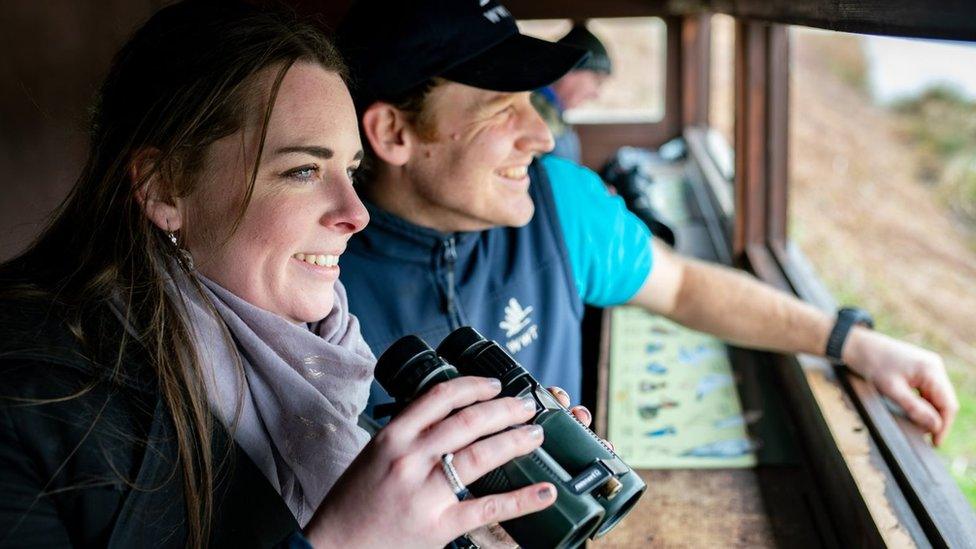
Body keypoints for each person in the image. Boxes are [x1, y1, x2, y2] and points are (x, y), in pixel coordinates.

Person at [0, 2, 574, 547]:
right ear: (164, 186)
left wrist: (464, 524)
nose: (357, 213)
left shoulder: (311, 353)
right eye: (302, 170)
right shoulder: (29, 399)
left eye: (351, 169)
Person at [336, 0, 958, 446]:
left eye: (533, 102)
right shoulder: (310, 275)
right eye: (502, 110)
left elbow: (684, 286)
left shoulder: (560, 202)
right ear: (392, 133)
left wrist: (851, 341)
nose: (540, 136)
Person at [531, 22, 613, 163]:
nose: (596, 94)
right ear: (569, 70)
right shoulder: (533, 113)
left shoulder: (553, 111)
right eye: (597, 81)